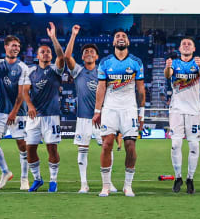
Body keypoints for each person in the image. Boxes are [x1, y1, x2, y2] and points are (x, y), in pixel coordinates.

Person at [92, 30, 145, 197]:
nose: (121, 38)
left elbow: (141, 89)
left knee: (130, 146)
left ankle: (127, 186)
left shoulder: (136, 62)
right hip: (110, 109)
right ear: (113, 42)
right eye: (117, 37)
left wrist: (141, 113)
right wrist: (97, 110)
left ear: (128, 42)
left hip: (129, 109)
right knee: (107, 144)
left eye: (124, 36)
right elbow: (101, 88)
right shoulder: (105, 62)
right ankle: (106, 186)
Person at [20, 28, 66, 193]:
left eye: (48, 52)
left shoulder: (55, 69)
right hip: (33, 117)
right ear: (37, 56)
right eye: (42, 52)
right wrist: (30, 106)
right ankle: (37, 179)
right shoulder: (30, 71)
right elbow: (25, 91)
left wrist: (53, 38)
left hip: (51, 116)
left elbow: (62, 57)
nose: (46, 54)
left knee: (51, 148)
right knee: (30, 148)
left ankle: (53, 180)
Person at [0, 34, 31, 190]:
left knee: (22, 145)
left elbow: (21, 94)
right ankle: (5, 172)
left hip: (19, 112)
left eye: (18, 46)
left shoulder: (23, 67)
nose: (16, 48)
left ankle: (24, 178)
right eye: (13, 45)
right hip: (1, 110)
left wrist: (14, 112)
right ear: (6, 47)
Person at [60, 27, 103, 193]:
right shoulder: (78, 71)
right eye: (86, 52)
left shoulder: (102, 71)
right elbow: (66, 57)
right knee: (82, 150)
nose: (89, 53)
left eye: (92, 51)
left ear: (97, 56)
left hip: (101, 117)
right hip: (83, 118)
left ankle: (108, 182)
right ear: (82, 56)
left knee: (106, 148)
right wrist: (73, 35)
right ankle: (84, 184)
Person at [165, 37, 200, 193]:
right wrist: (168, 67)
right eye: (184, 44)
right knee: (175, 145)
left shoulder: (198, 64)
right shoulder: (174, 64)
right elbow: (168, 75)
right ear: (179, 49)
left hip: (194, 111)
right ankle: (178, 177)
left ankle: (190, 178)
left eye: (189, 44)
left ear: (194, 48)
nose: (186, 46)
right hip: (176, 110)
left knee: (194, 146)